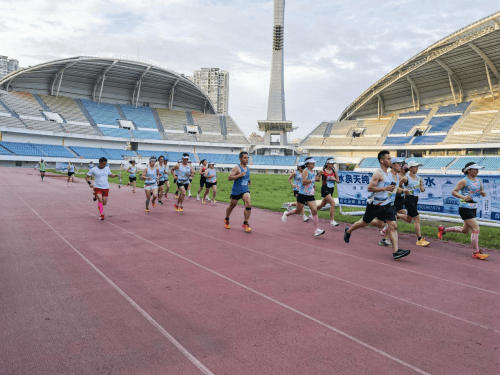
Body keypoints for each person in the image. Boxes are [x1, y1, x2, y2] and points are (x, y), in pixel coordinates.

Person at [344, 151, 411, 260]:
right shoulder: (378, 173)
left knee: (393, 225)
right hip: (374, 204)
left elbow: (392, 188)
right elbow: (370, 188)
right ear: (382, 160)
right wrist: (384, 189)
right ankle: (348, 231)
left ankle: (396, 252)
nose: (390, 160)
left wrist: (403, 190)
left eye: (390, 159)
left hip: (387, 204)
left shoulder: (390, 174)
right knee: (363, 223)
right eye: (388, 159)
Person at [438, 162, 489, 260]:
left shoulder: (479, 180)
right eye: (475, 169)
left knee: (465, 231)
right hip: (464, 208)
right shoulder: (463, 181)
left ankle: (443, 230)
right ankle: (476, 252)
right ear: (468, 170)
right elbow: (454, 191)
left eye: (478, 169)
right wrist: (463, 197)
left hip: (473, 207)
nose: (477, 171)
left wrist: (483, 193)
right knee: (476, 228)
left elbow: (481, 192)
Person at [282, 157, 325, 237]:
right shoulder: (306, 171)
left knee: (314, 210)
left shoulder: (313, 171)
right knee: (298, 211)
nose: (314, 164)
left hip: (310, 194)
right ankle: (287, 213)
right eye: (312, 163)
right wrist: (313, 180)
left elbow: (317, 180)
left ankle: (317, 230)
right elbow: (304, 182)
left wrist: (319, 174)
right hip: (302, 194)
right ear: (308, 164)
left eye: (314, 163)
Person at [398, 161, 430, 247]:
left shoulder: (419, 178)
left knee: (409, 219)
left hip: (415, 199)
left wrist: (422, 189)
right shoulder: (405, 178)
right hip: (408, 199)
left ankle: (396, 215)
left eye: (418, 167)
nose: (417, 168)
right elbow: (398, 187)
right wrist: (403, 191)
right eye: (416, 167)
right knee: (417, 218)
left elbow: (422, 187)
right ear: (410, 168)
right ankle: (419, 239)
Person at [225, 151, 253, 232]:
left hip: (245, 190)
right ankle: (226, 219)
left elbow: (246, 177)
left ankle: (246, 223)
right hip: (236, 190)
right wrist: (239, 175)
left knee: (248, 204)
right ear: (240, 158)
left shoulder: (248, 168)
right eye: (245, 158)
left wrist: (248, 181)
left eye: (247, 158)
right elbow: (229, 177)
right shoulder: (236, 168)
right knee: (232, 206)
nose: (246, 159)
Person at [317, 158, 340, 227]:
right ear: (327, 164)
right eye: (331, 163)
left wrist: (334, 179)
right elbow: (317, 179)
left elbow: (338, 181)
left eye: (333, 164)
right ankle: (332, 220)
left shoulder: (334, 170)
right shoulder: (323, 171)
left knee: (322, 205)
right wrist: (318, 174)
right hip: (325, 189)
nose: (332, 165)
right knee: (332, 203)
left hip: (331, 189)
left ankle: (312, 211)